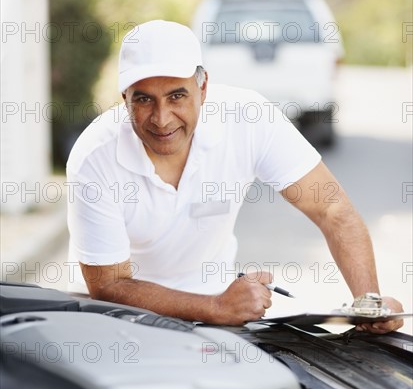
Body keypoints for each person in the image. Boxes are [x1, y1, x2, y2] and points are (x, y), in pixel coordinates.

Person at [66, 19, 403, 333]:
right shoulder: (94, 158)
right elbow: (109, 285)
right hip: (114, 319)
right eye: (144, 100)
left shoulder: (249, 118)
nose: (162, 118)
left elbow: (331, 209)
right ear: (124, 99)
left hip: (213, 316)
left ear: (203, 87)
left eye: (176, 96)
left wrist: (369, 304)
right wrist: (215, 306)